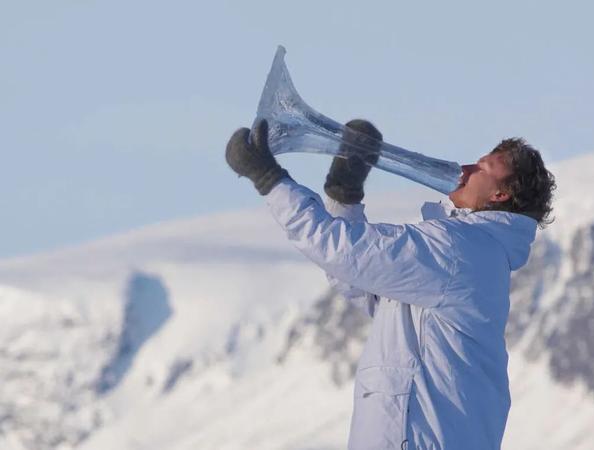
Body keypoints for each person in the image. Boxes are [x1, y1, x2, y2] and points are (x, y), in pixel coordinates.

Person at [225, 119, 556, 450]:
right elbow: (366, 286)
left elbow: (339, 249)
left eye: (482, 167)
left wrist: (269, 178)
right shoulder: (474, 253)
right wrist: (344, 198)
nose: (465, 168)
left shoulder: (459, 249)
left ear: (500, 194)